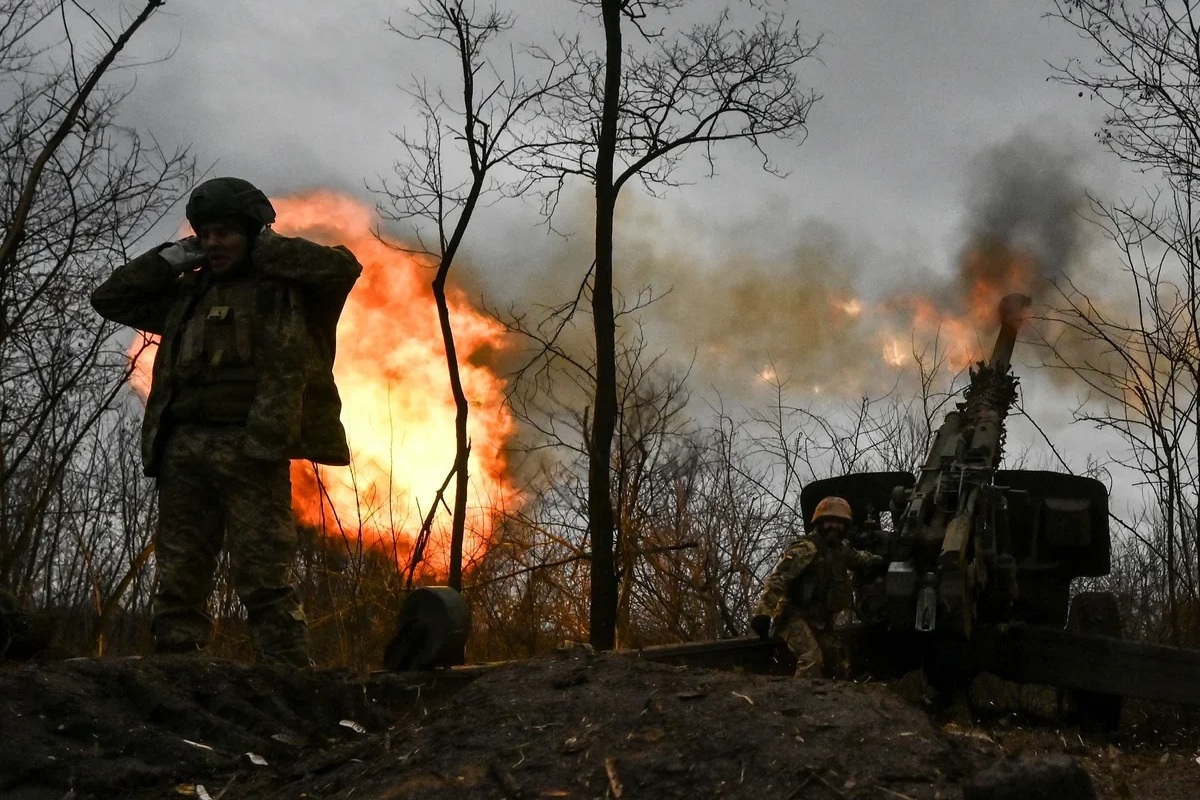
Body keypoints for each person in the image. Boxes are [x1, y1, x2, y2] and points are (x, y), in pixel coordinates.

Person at [91, 177, 362, 667]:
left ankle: (290, 679)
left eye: (225, 233)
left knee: (264, 575)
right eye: (206, 234)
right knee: (179, 576)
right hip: (184, 450)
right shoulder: (186, 296)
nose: (214, 243)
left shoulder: (289, 294)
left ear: (251, 233)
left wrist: (266, 247)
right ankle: (178, 670)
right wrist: (172, 258)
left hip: (253, 450)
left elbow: (341, 267)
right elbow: (109, 299)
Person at [750, 496, 882, 678]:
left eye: (839, 522)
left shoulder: (841, 550)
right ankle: (801, 703)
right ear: (819, 522)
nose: (834, 526)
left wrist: (881, 559)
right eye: (829, 521)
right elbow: (778, 579)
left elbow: (860, 559)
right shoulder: (806, 549)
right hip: (793, 617)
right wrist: (763, 613)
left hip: (820, 621)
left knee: (839, 668)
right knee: (811, 659)